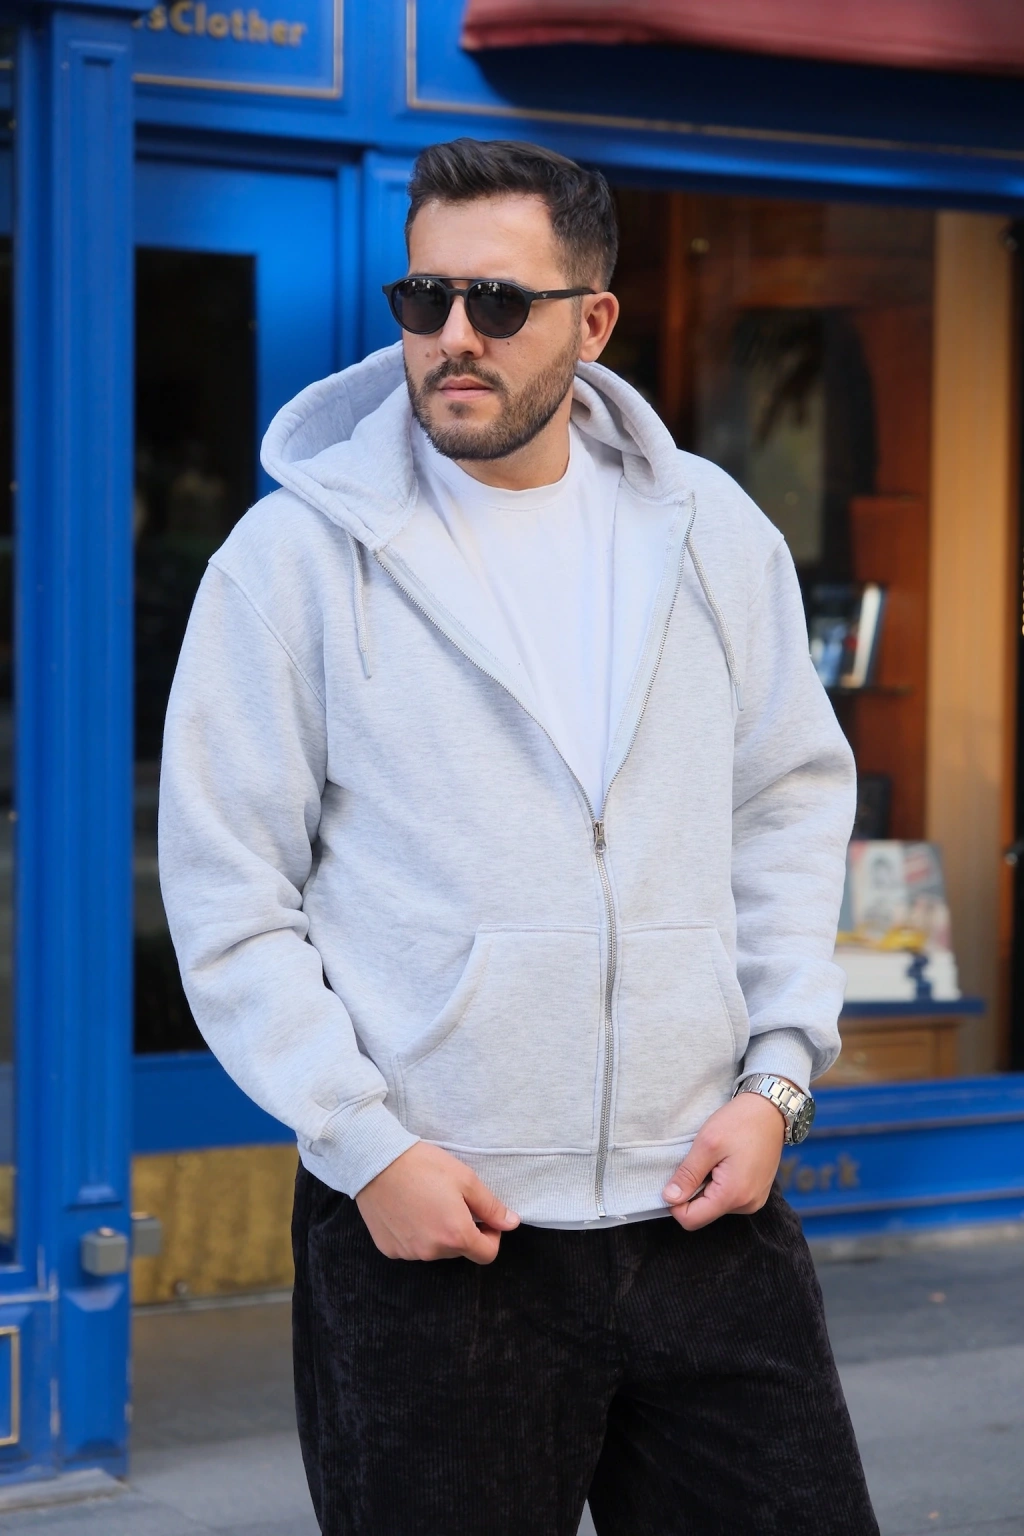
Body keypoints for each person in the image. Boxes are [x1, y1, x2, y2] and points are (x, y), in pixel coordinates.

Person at [159, 137, 878, 1536]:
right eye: (423, 298)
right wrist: (368, 1151)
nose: (453, 337)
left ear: (592, 320)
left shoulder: (711, 533)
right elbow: (229, 892)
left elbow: (788, 807)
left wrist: (779, 1084)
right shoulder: (292, 562)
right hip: (438, 1233)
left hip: (703, 1211)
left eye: (497, 301)